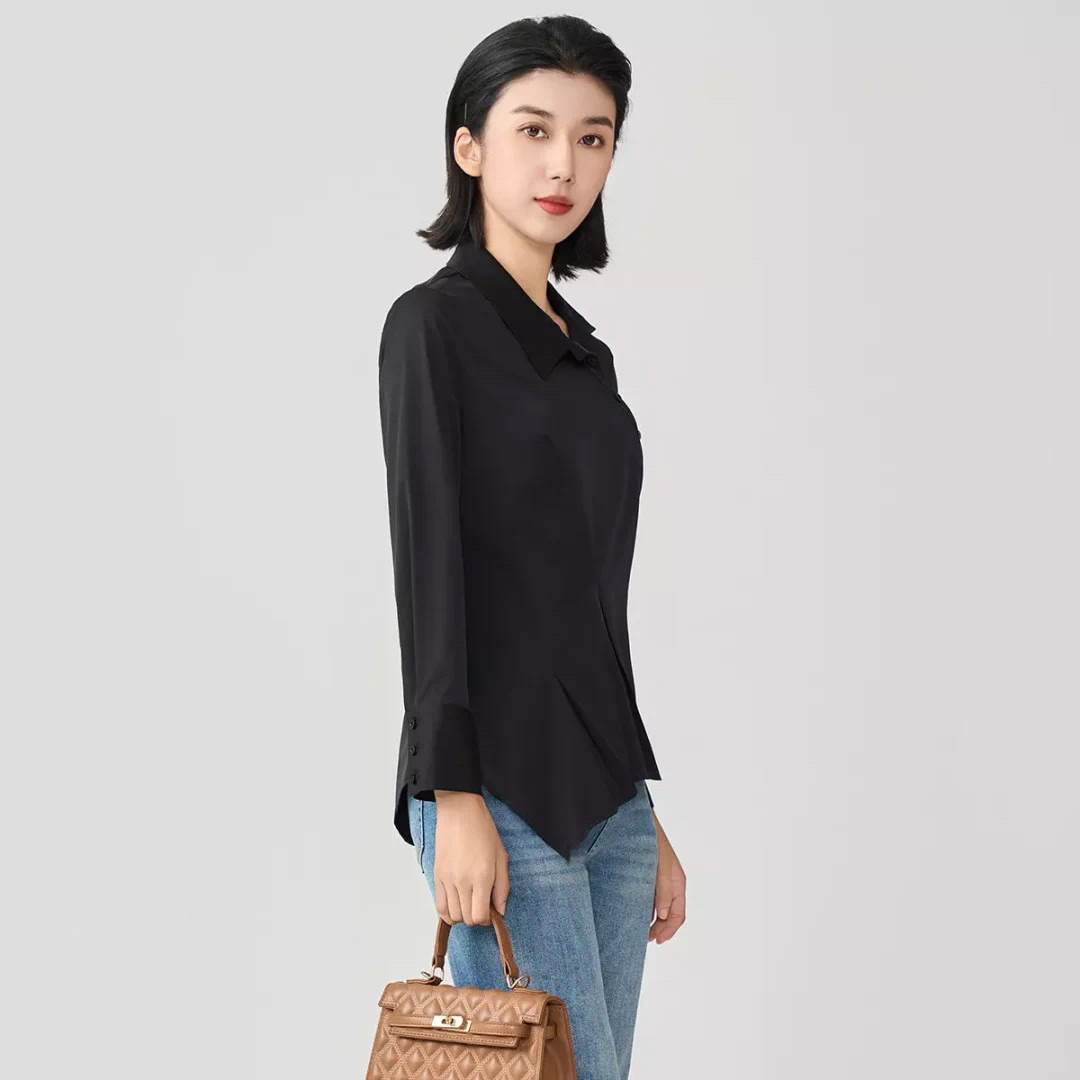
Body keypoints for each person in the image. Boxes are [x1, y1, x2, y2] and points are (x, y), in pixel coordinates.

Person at [376, 15, 686, 1079]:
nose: (565, 165)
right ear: (470, 146)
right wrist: (451, 795)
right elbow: (430, 570)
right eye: (535, 130)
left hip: (609, 798)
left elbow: (589, 596)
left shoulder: (587, 361)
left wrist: (642, 807)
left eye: (594, 138)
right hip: (498, 790)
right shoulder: (432, 327)